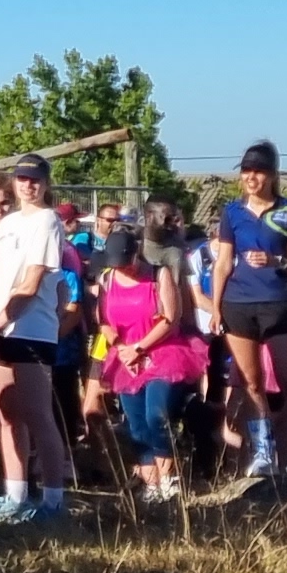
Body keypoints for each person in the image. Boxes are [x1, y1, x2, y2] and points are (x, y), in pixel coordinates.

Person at [208, 144, 287, 485]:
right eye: (245, 171)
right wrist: (215, 307)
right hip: (238, 303)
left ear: (272, 174)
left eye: (257, 171)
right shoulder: (232, 212)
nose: (250, 178)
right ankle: (262, 452)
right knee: (251, 382)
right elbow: (223, 262)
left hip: (278, 303)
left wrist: (277, 261)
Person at [0, 153, 75, 523]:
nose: (28, 185)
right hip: (1, 325)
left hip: (31, 328)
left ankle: (52, 500)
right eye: (21, 178)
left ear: (45, 183)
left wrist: (1, 320)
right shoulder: (8, 223)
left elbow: (33, 280)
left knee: (38, 414)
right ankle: (14, 496)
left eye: (34, 179)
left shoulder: (48, 220)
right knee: (7, 415)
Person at [91, 214, 199, 505]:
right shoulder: (106, 279)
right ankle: (151, 483)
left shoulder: (157, 275)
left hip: (161, 351)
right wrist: (122, 347)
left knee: (157, 415)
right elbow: (103, 322)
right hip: (124, 356)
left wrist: (140, 348)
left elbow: (170, 318)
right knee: (136, 424)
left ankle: (169, 475)